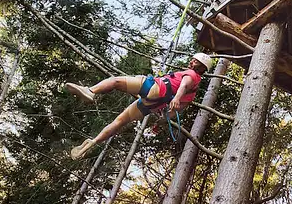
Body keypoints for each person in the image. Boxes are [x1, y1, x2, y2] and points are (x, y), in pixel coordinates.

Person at [65, 52, 214, 160]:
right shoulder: (192, 94)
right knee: (119, 122)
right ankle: (92, 143)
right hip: (152, 104)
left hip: (154, 88)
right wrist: (160, 122)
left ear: (201, 67)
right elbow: (174, 112)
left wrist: (176, 97)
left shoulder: (192, 75)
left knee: (116, 81)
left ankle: (90, 91)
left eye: (194, 61)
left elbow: (184, 84)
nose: (191, 63)